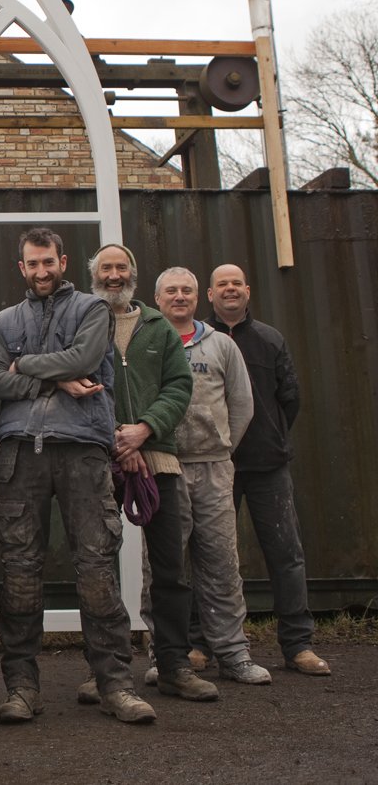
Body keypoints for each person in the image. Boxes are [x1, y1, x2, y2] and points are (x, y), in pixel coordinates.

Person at [0, 228, 155, 724]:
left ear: (62, 262)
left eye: (48, 262)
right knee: (20, 574)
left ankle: (115, 685)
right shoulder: (6, 319)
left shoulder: (93, 309)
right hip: (21, 453)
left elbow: (84, 359)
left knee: (97, 569)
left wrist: (25, 366)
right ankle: (22, 689)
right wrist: (55, 381)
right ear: (22, 267)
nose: (41, 271)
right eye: (32, 264)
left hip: (83, 450)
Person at [81, 245, 215, 704]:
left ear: (133, 274)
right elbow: (76, 384)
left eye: (121, 267)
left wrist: (144, 430)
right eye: (106, 268)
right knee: (98, 568)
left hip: (158, 458)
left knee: (170, 567)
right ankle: (105, 670)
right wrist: (117, 437)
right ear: (94, 274)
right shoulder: (81, 320)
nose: (113, 275)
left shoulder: (158, 326)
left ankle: (174, 665)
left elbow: (179, 386)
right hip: (99, 458)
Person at [207, 264, 330, 676]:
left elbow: (289, 398)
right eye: (221, 284)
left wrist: (270, 435)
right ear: (210, 294)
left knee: (285, 555)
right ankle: (199, 644)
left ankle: (298, 645)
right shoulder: (197, 339)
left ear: (247, 290)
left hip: (266, 465)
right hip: (214, 464)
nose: (229, 289)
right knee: (206, 556)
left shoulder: (269, 339)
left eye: (235, 283)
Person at [154, 267, 270, 686]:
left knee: (221, 563)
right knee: (164, 568)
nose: (179, 297)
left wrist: (221, 446)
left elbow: (242, 404)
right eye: (171, 291)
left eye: (186, 290)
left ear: (197, 297)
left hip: (215, 469)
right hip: (164, 467)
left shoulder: (221, 344)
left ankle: (234, 654)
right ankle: (166, 656)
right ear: (158, 299)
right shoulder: (149, 342)